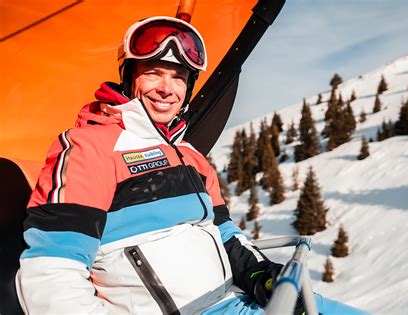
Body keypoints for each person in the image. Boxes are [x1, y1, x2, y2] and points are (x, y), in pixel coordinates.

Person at [15, 16, 369, 314]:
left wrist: (261, 274)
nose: (166, 89)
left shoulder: (190, 155)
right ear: (129, 77)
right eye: (154, 73)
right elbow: (52, 269)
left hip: (239, 302)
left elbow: (226, 234)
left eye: (179, 77)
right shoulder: (89, 147)